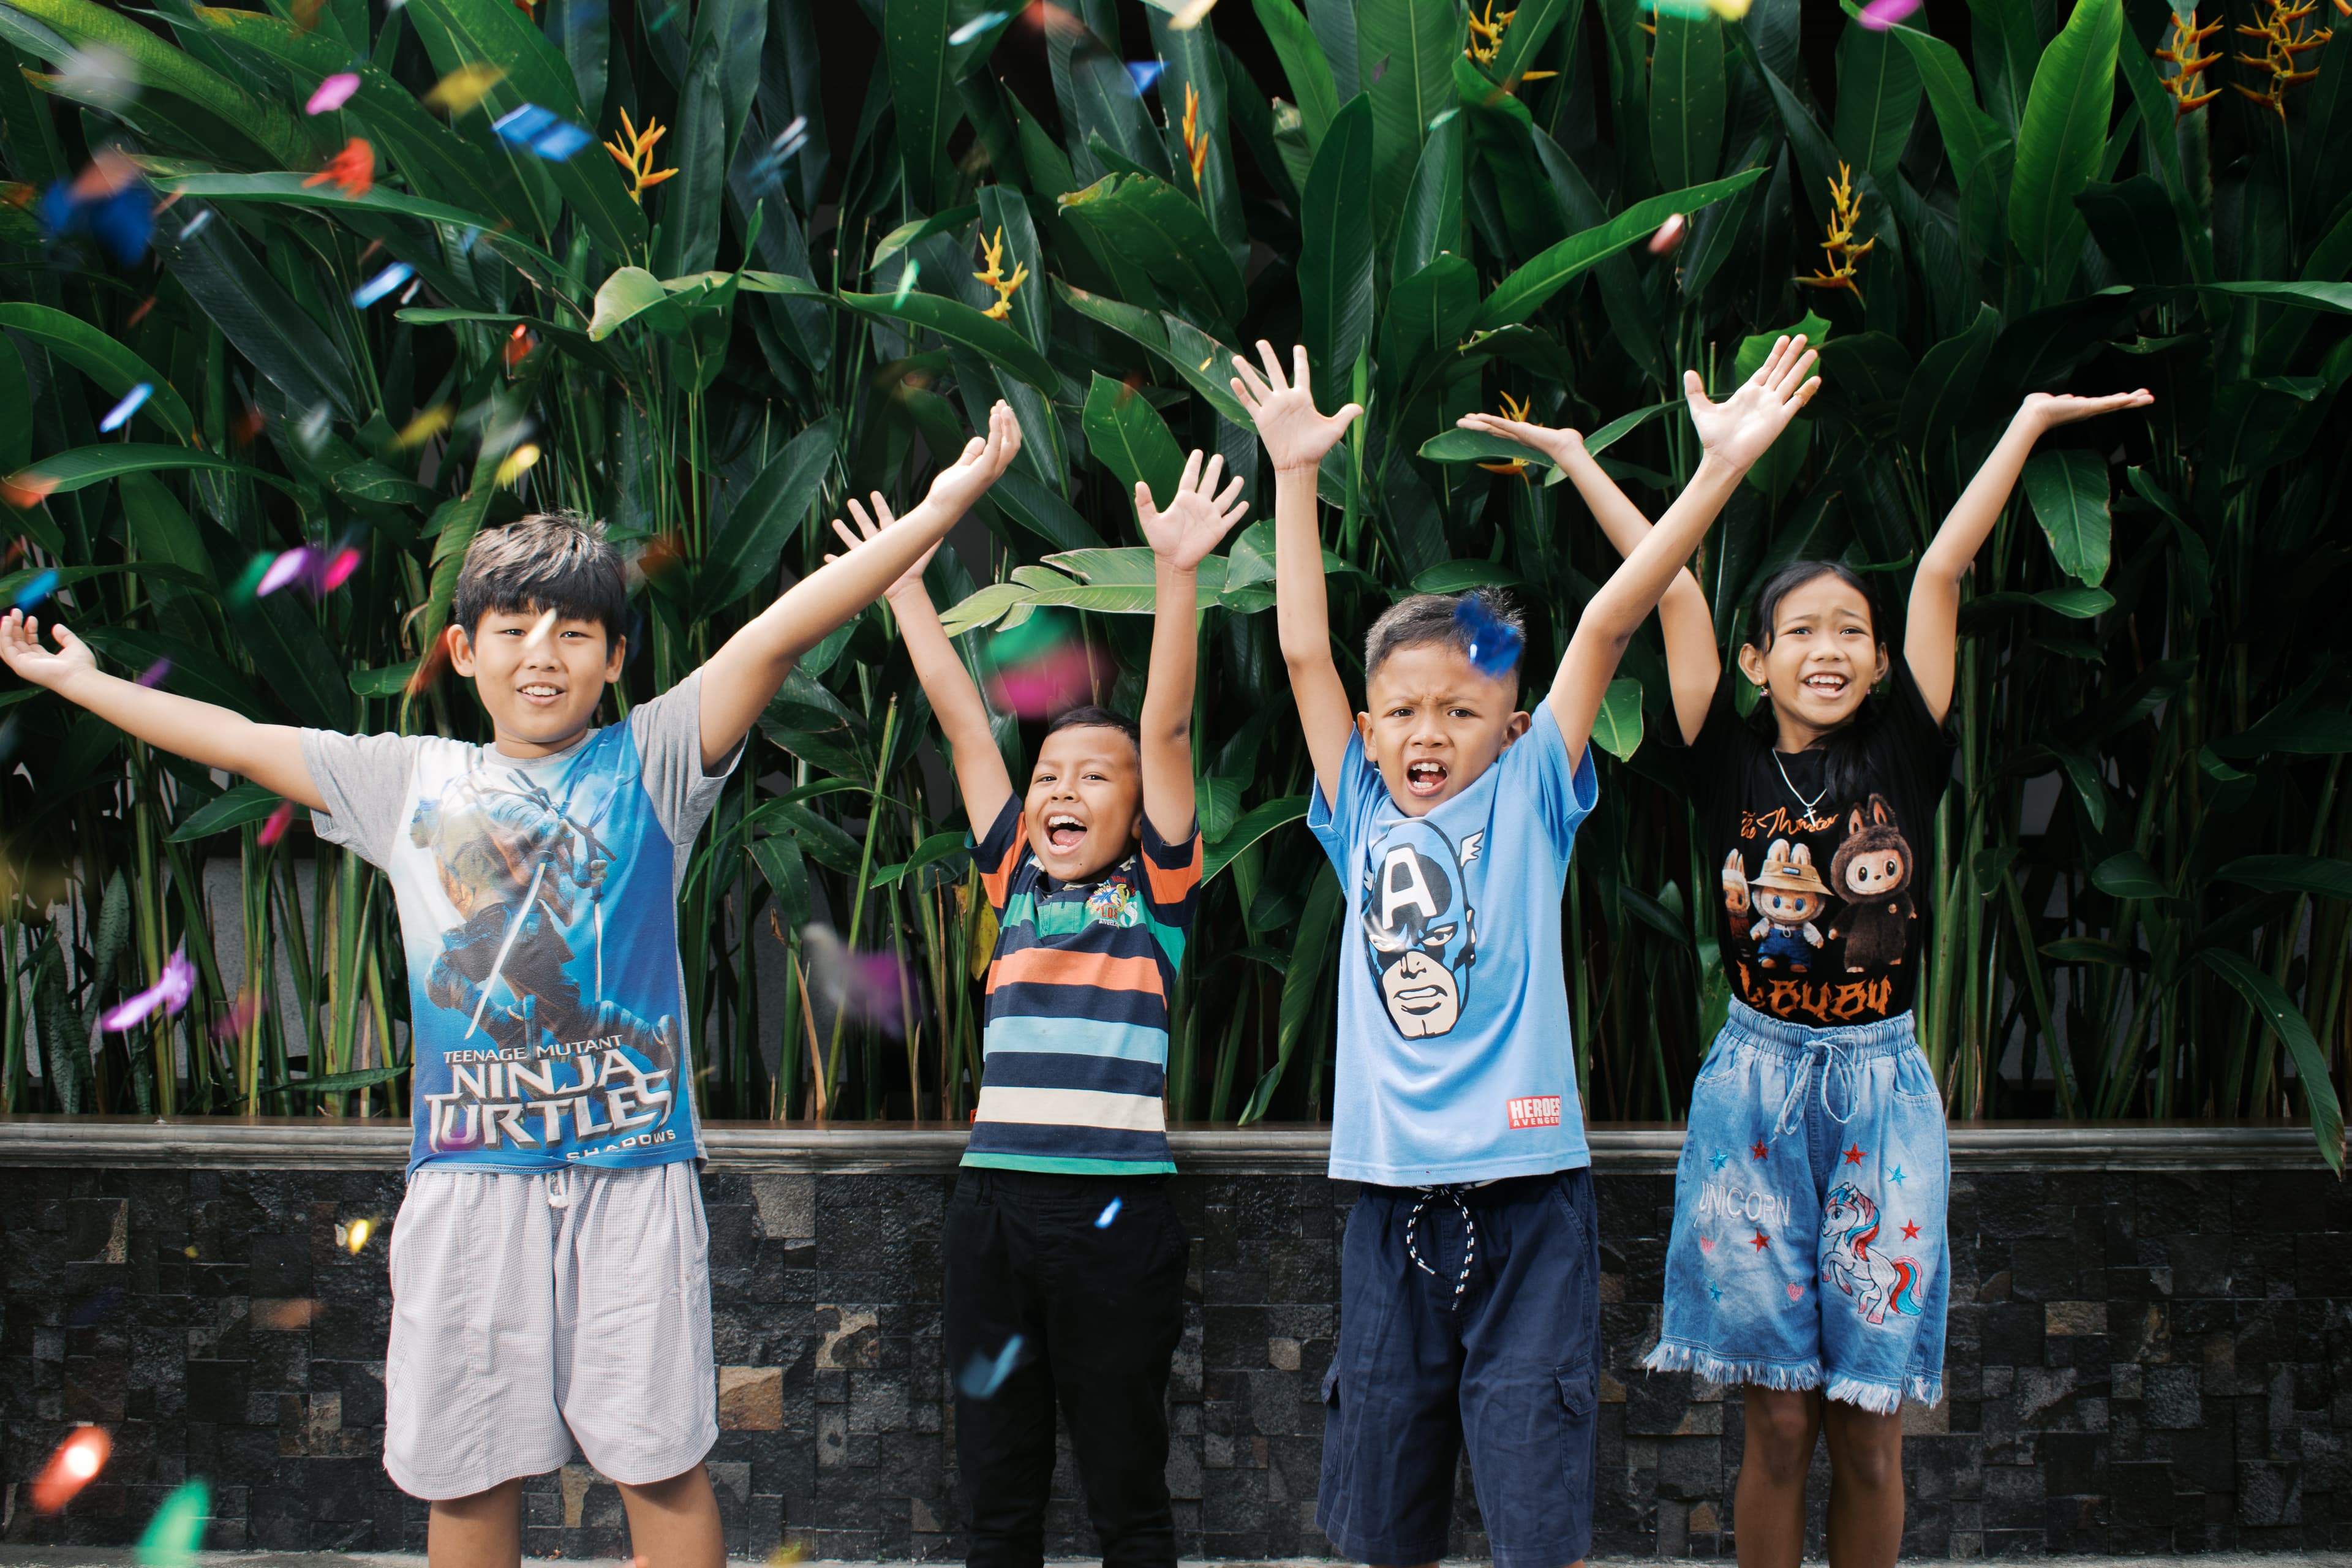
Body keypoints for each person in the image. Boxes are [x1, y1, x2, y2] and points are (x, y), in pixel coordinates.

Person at [0, 402, 1025, 1568]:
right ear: (463, 651)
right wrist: (82, 684)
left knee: (660, 1464)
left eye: (578, 631)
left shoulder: (655, 758)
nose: (546, 650)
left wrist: (942, 510)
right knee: (469, 1471)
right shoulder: (406, 782)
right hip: (469, 1182)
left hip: (631, 1178)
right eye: (516, 625)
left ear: (616, 659)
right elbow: (232, 737)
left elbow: (778, 635)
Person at [1465, 382, 2152, 1568]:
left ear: (1881, 658)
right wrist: (1579, 456)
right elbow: (1670, 582)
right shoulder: (1720, 761)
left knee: (1869, 1426)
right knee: (1777, 1415)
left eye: (1851, 632)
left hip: (1883, 1098)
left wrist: (2027, 419)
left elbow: (1941, 566)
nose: (1828, 649)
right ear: (1755, 657)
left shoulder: (1908, 753)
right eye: (1802, 630)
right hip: (1754, 1095)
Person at [1240, 336, 1820, 1568]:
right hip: (1389, 1211)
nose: (1427, 730)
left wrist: (1713, 473)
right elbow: (1301, 649)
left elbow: (1615, 617)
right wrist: (1294, 472)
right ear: (1369, 721)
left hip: (1529, 1201)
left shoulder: (1530, 800)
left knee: (1534, 1515)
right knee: (1378, 1516)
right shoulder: (1358, 813)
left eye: (1459, 707)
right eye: (1400, 708)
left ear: (1511, 720)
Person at [826, 449, 1243, 1568]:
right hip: (994, 1216)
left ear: (1137, 808)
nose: (1063, 790)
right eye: (1051, 771)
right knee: (997, 1495)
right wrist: (904, 579)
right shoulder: (1011, 871)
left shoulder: (1155, 896)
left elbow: (1162, 731)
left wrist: (1176, 576)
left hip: (1116, 1215)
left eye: (1092, 779)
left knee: (1126, 1493)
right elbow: (967, 727)